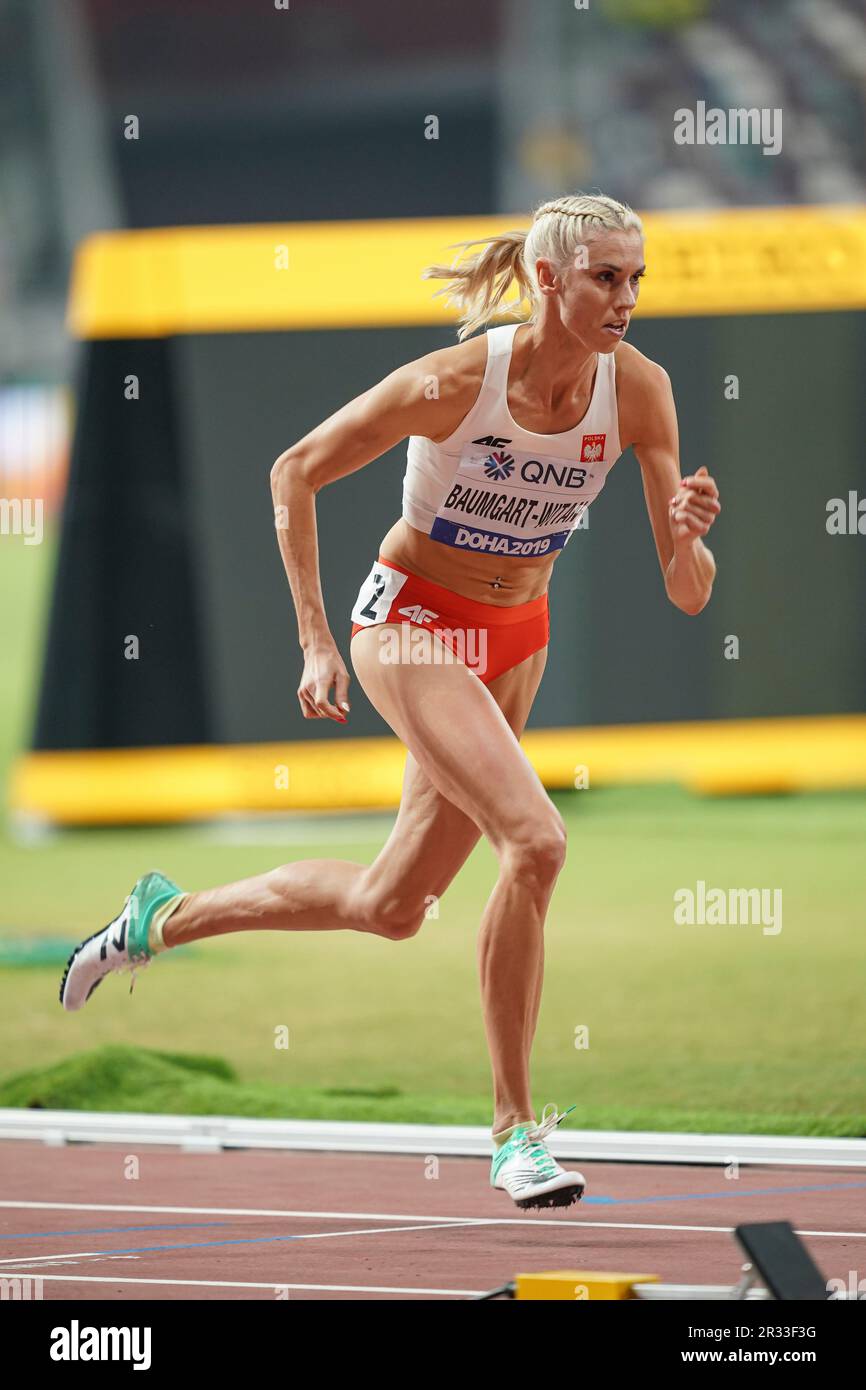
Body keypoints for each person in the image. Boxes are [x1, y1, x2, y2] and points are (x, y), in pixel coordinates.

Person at [60, 193, 721, 1210]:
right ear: (547, 280)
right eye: (604, 275)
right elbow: (296, 469)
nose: (625, 296)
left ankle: (160, 918)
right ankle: (514, 1134)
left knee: (392, 906)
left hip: (513, 644)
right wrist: (316, 639)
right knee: (535, 842)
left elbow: (686, 595)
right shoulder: (456, 381)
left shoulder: (639, 392)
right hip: (411, 624)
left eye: (635, 277)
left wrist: (689, 533)